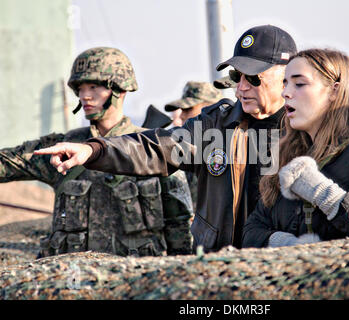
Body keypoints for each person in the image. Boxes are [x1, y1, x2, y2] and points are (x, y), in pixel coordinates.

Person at [34, 25, 298, 252]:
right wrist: (94, 151)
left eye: (253, 78)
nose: (241, 87)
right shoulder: (215, 127)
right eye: (236, 76)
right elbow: (156, 148)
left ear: (287, 76)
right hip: (224, 268)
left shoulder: (311, 132)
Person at [0, 47, 193, 257]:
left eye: (93, 87)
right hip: (73, 279)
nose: (85, 96)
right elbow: (8, 163)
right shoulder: (64, 147)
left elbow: (179, 225)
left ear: (120, 89)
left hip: (135, 279)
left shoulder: (154, 148)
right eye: (80, 89)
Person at [242, 48, 349, 248]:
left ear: (334, 91)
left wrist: (326, 195)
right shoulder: (287, 152)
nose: (285, 93)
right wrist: (285, 243)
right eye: (285, 83)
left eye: (299, 84)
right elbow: (251, 231)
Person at [164, 81, 224, 212]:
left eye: (188, 109)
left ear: (211, 109)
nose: (181, 115)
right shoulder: (187, 152)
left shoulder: (231, 149)